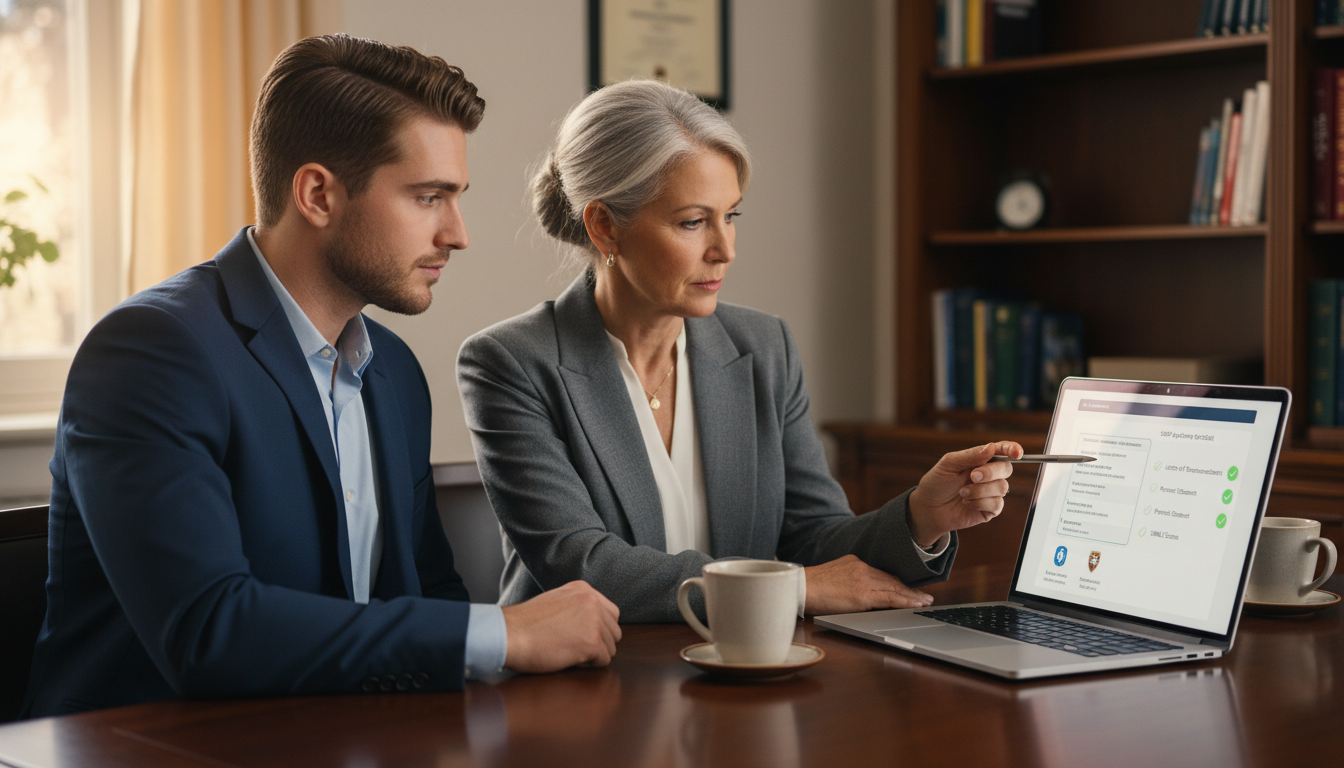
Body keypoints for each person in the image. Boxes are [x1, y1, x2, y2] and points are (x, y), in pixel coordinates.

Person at [23, 35, 619, 718]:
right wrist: (506, 633)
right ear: (317, 194)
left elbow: (427, 594)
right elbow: (209, 632)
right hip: (144, 745)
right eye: (428, 197)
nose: (457, 234)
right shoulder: (151, 352)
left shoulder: (394, 371)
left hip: (336, 735)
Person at [457, 79, 1024, 623]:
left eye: (730, 216)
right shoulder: (509, 362)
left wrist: (920, 516)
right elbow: (579, 564)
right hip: (586, 675)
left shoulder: (764, 346)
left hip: (741, 672)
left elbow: (814, 537)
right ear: (604, 227)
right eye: (692, 222)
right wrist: (791, 588)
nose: (724, 249)